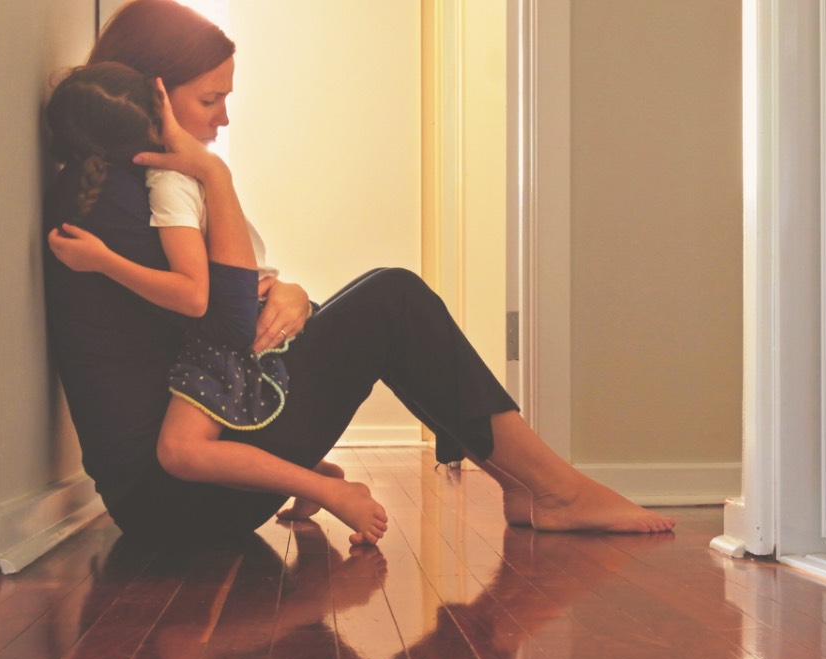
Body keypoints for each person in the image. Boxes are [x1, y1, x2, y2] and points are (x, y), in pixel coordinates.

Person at [43, 0, 675, 545]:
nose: (223, 118)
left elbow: (212, 313)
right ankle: (550, 490)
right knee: (394, 299)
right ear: (154, 92)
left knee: (383, 299)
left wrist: (285, 292)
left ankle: (534, 484)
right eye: (211, 99)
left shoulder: (117, 182)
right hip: (178, 497)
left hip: (172, 489)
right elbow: (226, 320)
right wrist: (217, 176)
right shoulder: (129, 191)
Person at [44, 62, 389, 544]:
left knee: (182, 448)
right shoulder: (157, 185)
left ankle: (327, 488)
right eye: (209, 100)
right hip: (230, 339)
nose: (216, 118)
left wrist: (104, 262)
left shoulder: (172, 181)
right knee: (189, 445)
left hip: (229, 341)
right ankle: (321, 479)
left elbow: (197, 295)